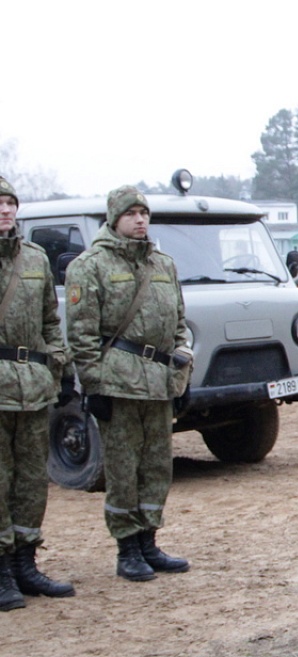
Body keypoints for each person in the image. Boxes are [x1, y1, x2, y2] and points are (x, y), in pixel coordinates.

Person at [64, 186, 194, 582]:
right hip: (118, 383)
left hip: (158, 382)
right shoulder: (90, 266)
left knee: (157, 466)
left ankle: (149, 541)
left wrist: (181, 371)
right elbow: (82, 333)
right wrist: (93, 386)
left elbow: (179, 323)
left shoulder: (163, 264)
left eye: (144, 213)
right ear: (113, 218)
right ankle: (127, 548)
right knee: (123, 469)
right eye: (131, 214)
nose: (140, 220)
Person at [0, 175, 76, 610]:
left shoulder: (34, 258)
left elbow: (50, 320)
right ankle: (2, 571)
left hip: (31, 386)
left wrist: (56, 368)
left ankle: (26, 564)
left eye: (10, 203)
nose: (6, 211)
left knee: (31, 479)